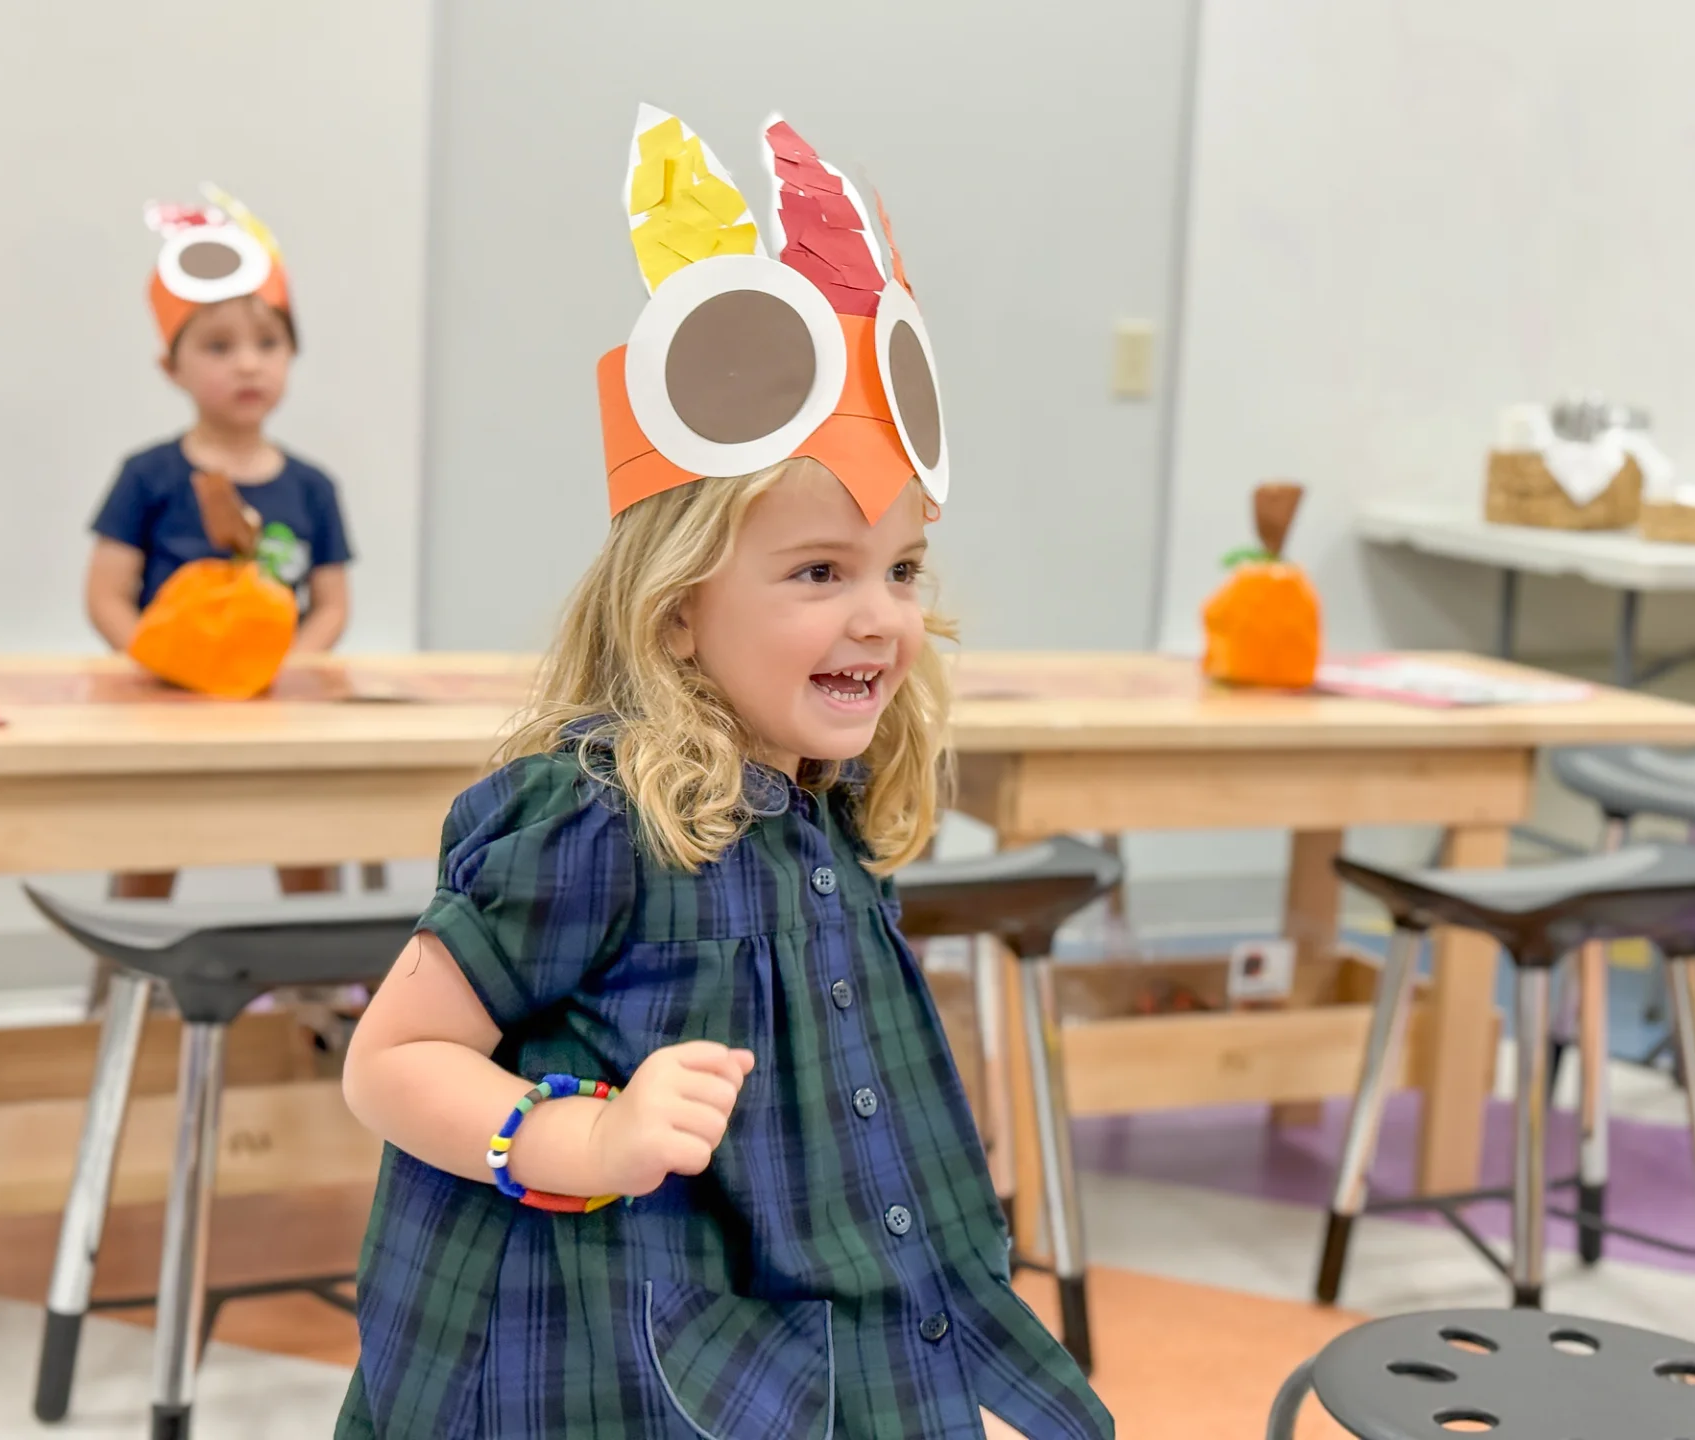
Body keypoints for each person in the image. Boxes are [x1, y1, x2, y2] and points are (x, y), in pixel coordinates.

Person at [335, 107, 1111, 1439]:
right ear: (679, 606)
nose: (881, 616)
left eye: (902, 570)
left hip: (805, 1317)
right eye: (821, 572)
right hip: (610, 1344)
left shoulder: (821, 795)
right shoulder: (592, 811)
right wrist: (587, 1139)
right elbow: (392, 1059)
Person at [86, 186, 353, 901]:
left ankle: (315, 1001)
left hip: (277, 708)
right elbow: (106, 591)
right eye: (218, 346)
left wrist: (290, 665)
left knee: (305, 843)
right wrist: (156, 659)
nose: (247, 365)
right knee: (152, 848)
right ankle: (129, 988)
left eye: (268, 344)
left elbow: (330, 602)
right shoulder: (148, 475)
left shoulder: (313, 487)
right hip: (165, 710)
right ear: (171, 369)